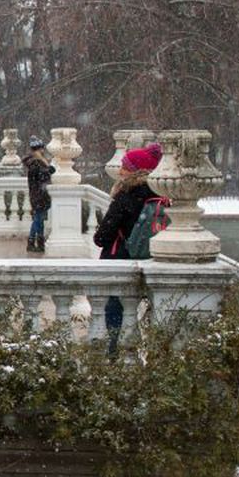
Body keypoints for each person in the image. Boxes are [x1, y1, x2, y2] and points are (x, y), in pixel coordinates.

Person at [92, 143, 163, 358]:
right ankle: (149, 354)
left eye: (125, 166)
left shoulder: (125, 195)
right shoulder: (161, 196)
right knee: (154, 309)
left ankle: (115, 353)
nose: (120, 171)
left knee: (115, 308)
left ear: (135, 170)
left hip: (119, 260)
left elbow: (101, 238)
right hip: (151, 259)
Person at [22, 137, 55, 253]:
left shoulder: (34, 162)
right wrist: (48, 168)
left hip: (38, 194)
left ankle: (39, 243)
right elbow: (44, 175)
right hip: (38, 195)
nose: (42, 151)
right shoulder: (35, 163)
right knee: (38, 219)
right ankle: (32, 242)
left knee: (39, 219)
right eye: (41, 149)